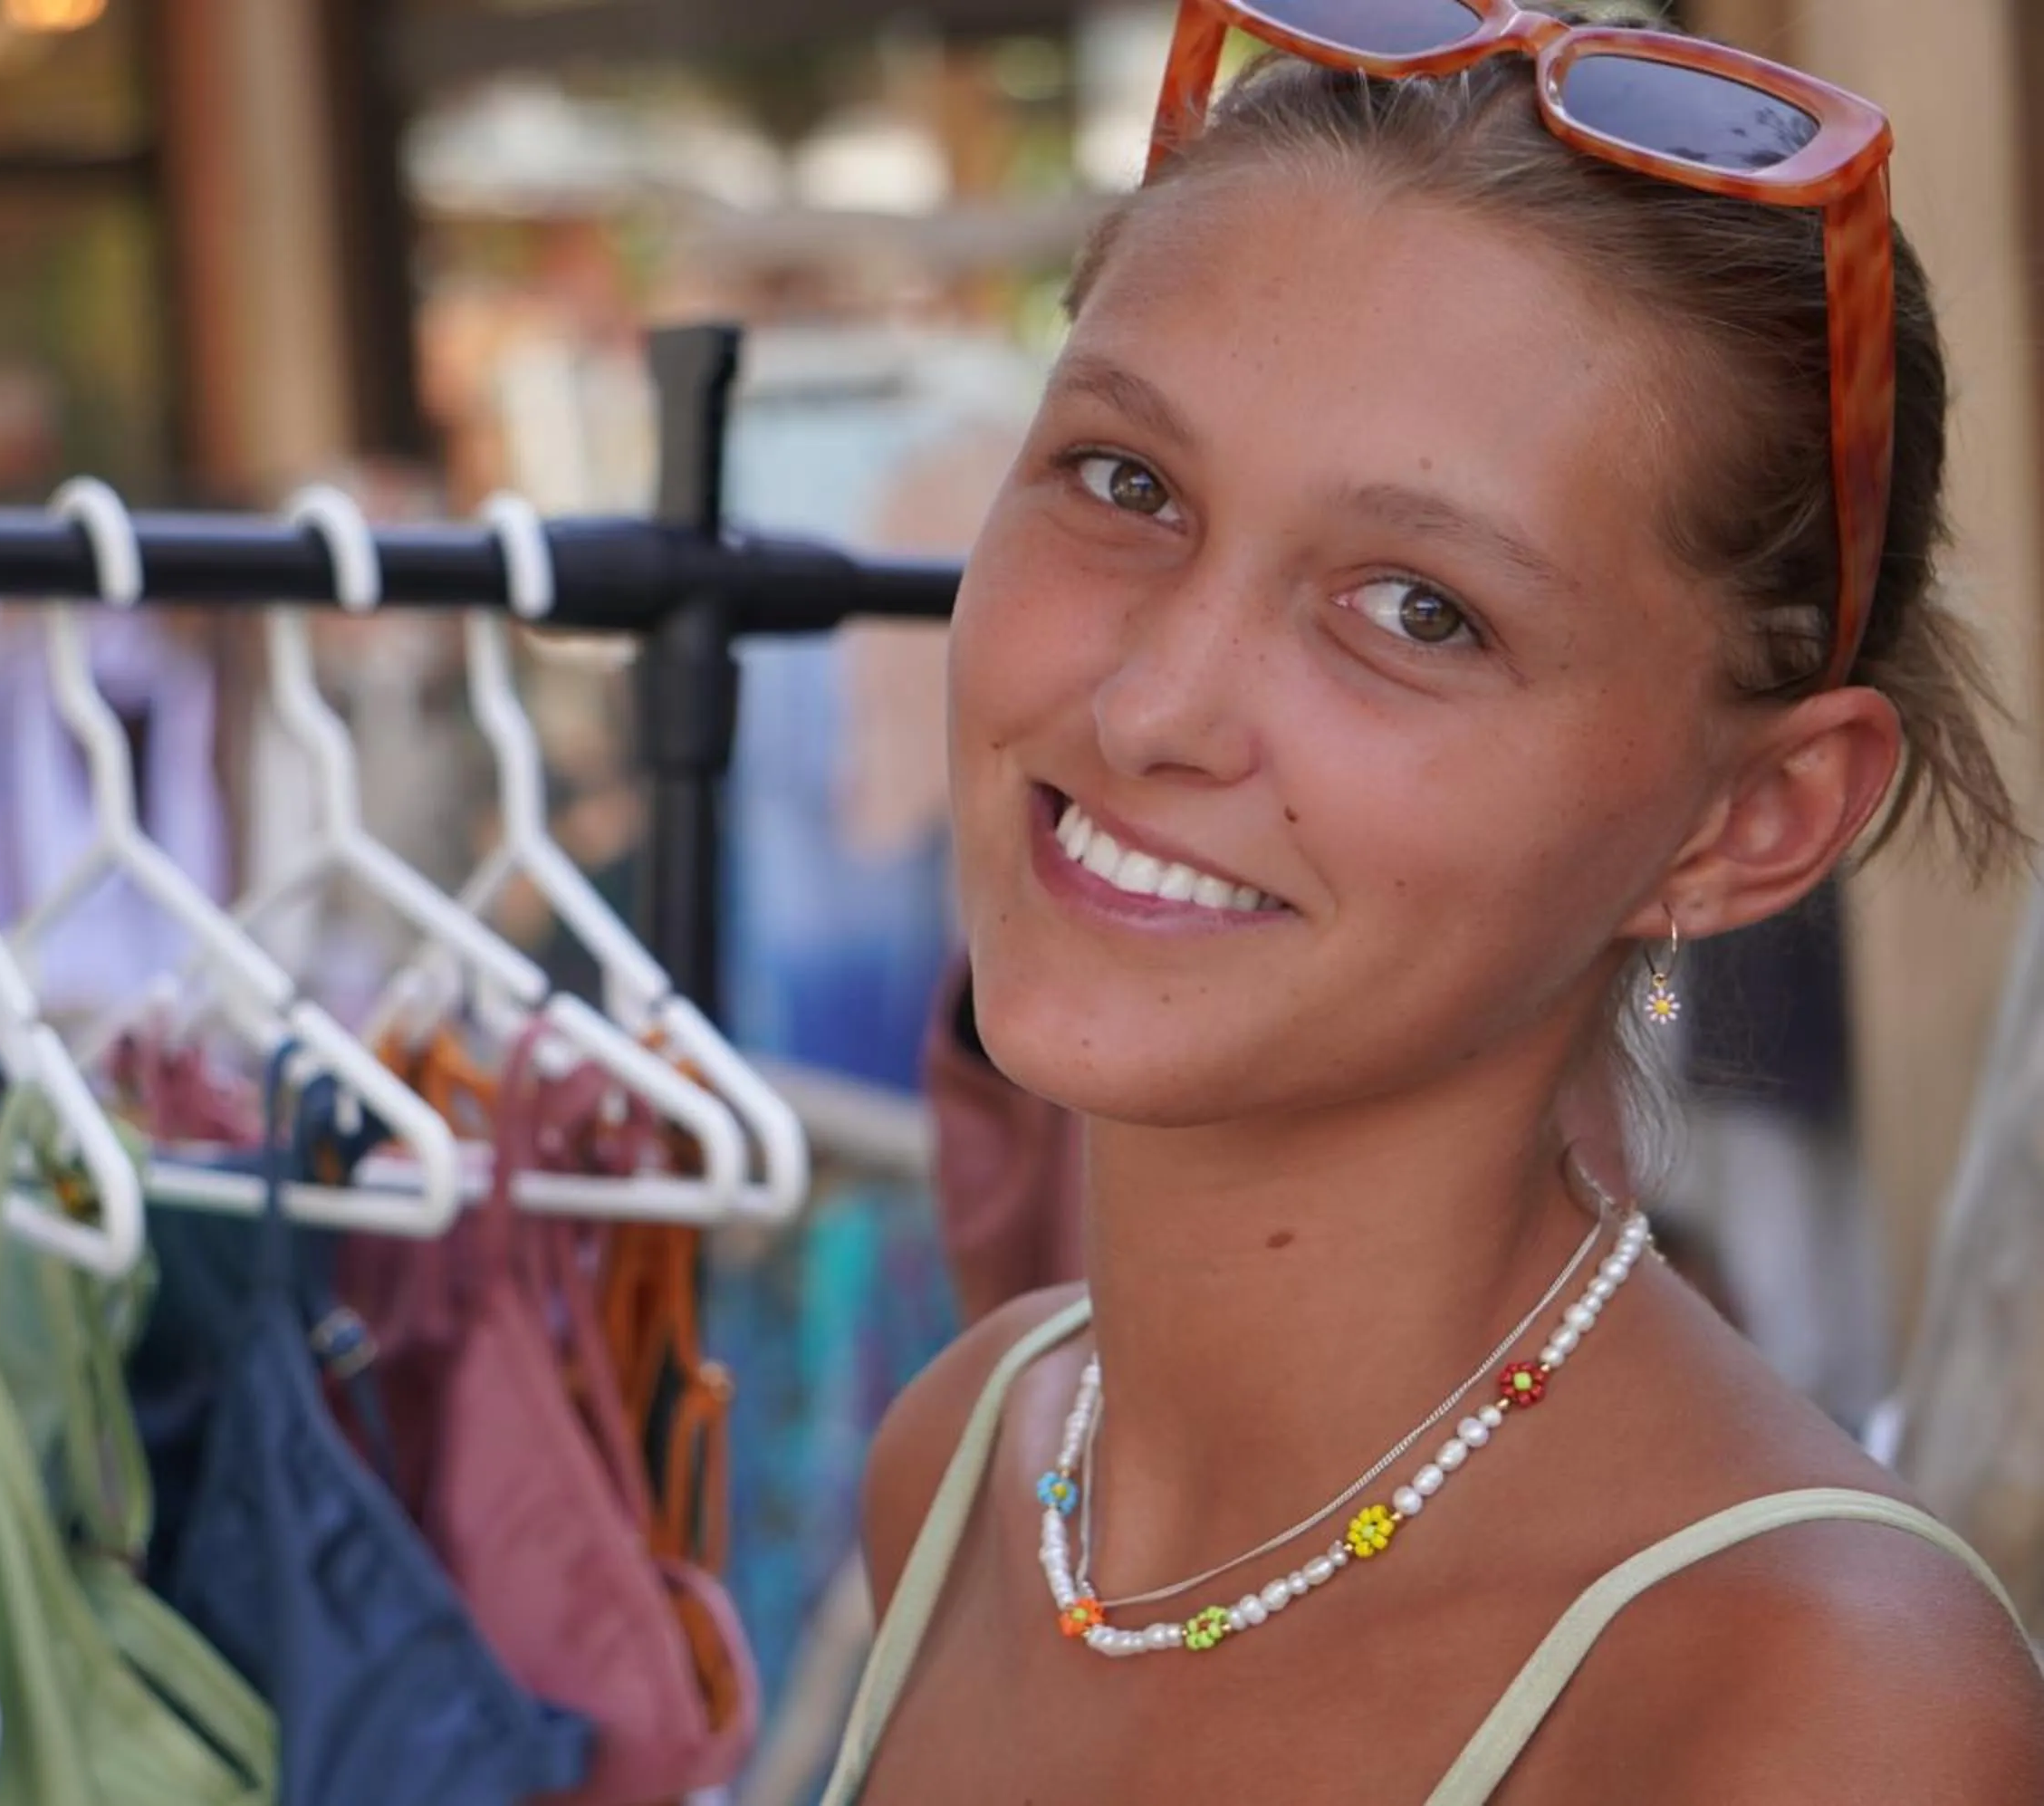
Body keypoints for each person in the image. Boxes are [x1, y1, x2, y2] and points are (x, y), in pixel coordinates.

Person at [830, 7, 2044, 1802]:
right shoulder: (978, 1452)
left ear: (1751, 821)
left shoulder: (1808, 1700)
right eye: (1127, 481)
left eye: (1417, 610)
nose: (1154, 705)